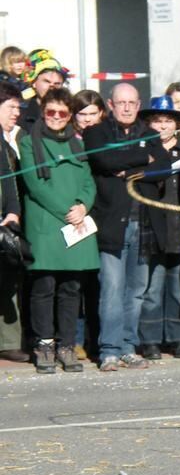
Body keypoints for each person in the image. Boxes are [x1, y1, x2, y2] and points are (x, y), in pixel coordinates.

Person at [18, 87, 100, 373]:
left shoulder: (77, 143)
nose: (55, 117)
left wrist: (83, 206)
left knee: (71, 287)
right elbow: (35, 184)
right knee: (44, 286)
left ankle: (67, 345)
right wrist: (67, 210)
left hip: (75, 222)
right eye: (50, 111)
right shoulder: (29, 142)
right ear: (43, 112)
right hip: (47, 223)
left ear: (68, 116)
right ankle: (44, 344)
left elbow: (88, 180)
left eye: (62, 112)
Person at [83, 82, 160, 372]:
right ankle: (110, 350)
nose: (127, 107)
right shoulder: (96, 132)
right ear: (110, 105)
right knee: (112, 289)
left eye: (132, 103)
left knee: (136, 290)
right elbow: (103, 159)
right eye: (121, 102)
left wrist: (126, 169)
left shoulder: (150, 134)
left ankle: (129, 346)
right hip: (112, 224)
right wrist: (143, 158)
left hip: (144, 223)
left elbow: (162, 165)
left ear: (139, 105)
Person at [136, 96, 180, 360]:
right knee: (153, 287)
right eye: (157, 121)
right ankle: (150, 339)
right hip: (152, 224)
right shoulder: (142, 150)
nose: (162, 126)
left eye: (167, 121)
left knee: (179, 286)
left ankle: (178, 337)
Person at [0, 81, 28, 363]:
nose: (16, 113)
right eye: (11, 108)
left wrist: (12, 211)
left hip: (4, 222)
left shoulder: (8, 140)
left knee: (8, 280)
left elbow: (9, 184)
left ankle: (8, 342)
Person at [18, 51, 68, 131]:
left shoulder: (70, 112)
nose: (52, 86)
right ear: (34, 83)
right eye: (47, 81)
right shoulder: (20, 114)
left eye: (57, 83)